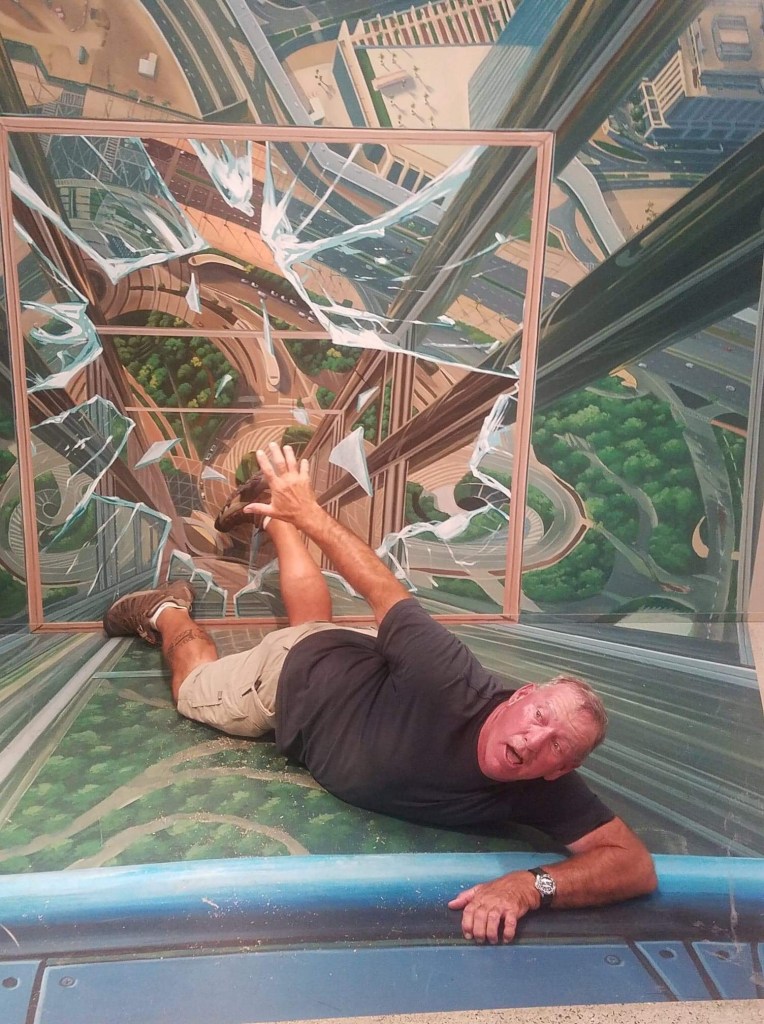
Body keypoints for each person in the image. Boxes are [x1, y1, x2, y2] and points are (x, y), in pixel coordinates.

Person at [104, 442, 657, 944]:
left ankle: (270, 515)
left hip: (357, 663)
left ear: (561, 769)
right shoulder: (446, 677)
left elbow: (633, 866)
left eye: (557, 745)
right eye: (539, 716)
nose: (534, 740)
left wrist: (531, 886)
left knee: (313, 624)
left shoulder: (541, 783)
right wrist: (310, 512)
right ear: (520, 695)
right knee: (195, 689)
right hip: (292, 678)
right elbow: (380, 588)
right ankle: (166, 609)